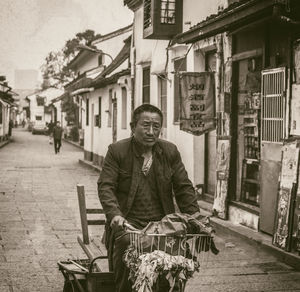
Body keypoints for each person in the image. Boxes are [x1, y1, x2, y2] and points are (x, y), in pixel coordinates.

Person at [98, 104, 201, 292]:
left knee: (178, 266)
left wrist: (195, 216)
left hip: (163, 225)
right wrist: (114, 215)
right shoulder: (117, 151)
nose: (151, 131)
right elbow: (106, 186)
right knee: (126, 252)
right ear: (132, 126)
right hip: (129, 226)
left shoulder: (169, 151)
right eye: (146, 126)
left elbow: (183, 187)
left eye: (156, 126)